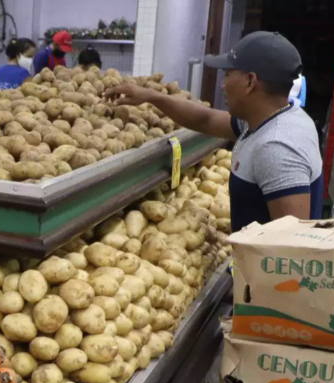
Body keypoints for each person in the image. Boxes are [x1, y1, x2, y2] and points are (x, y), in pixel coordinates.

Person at [103, 31, 321, 232]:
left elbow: (291, 250)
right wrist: (152, 96)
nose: (222, 85)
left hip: (264, 274)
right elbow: (205, 119)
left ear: (250, 81)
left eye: (227, 75)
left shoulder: (276, 147)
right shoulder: (273, 118)